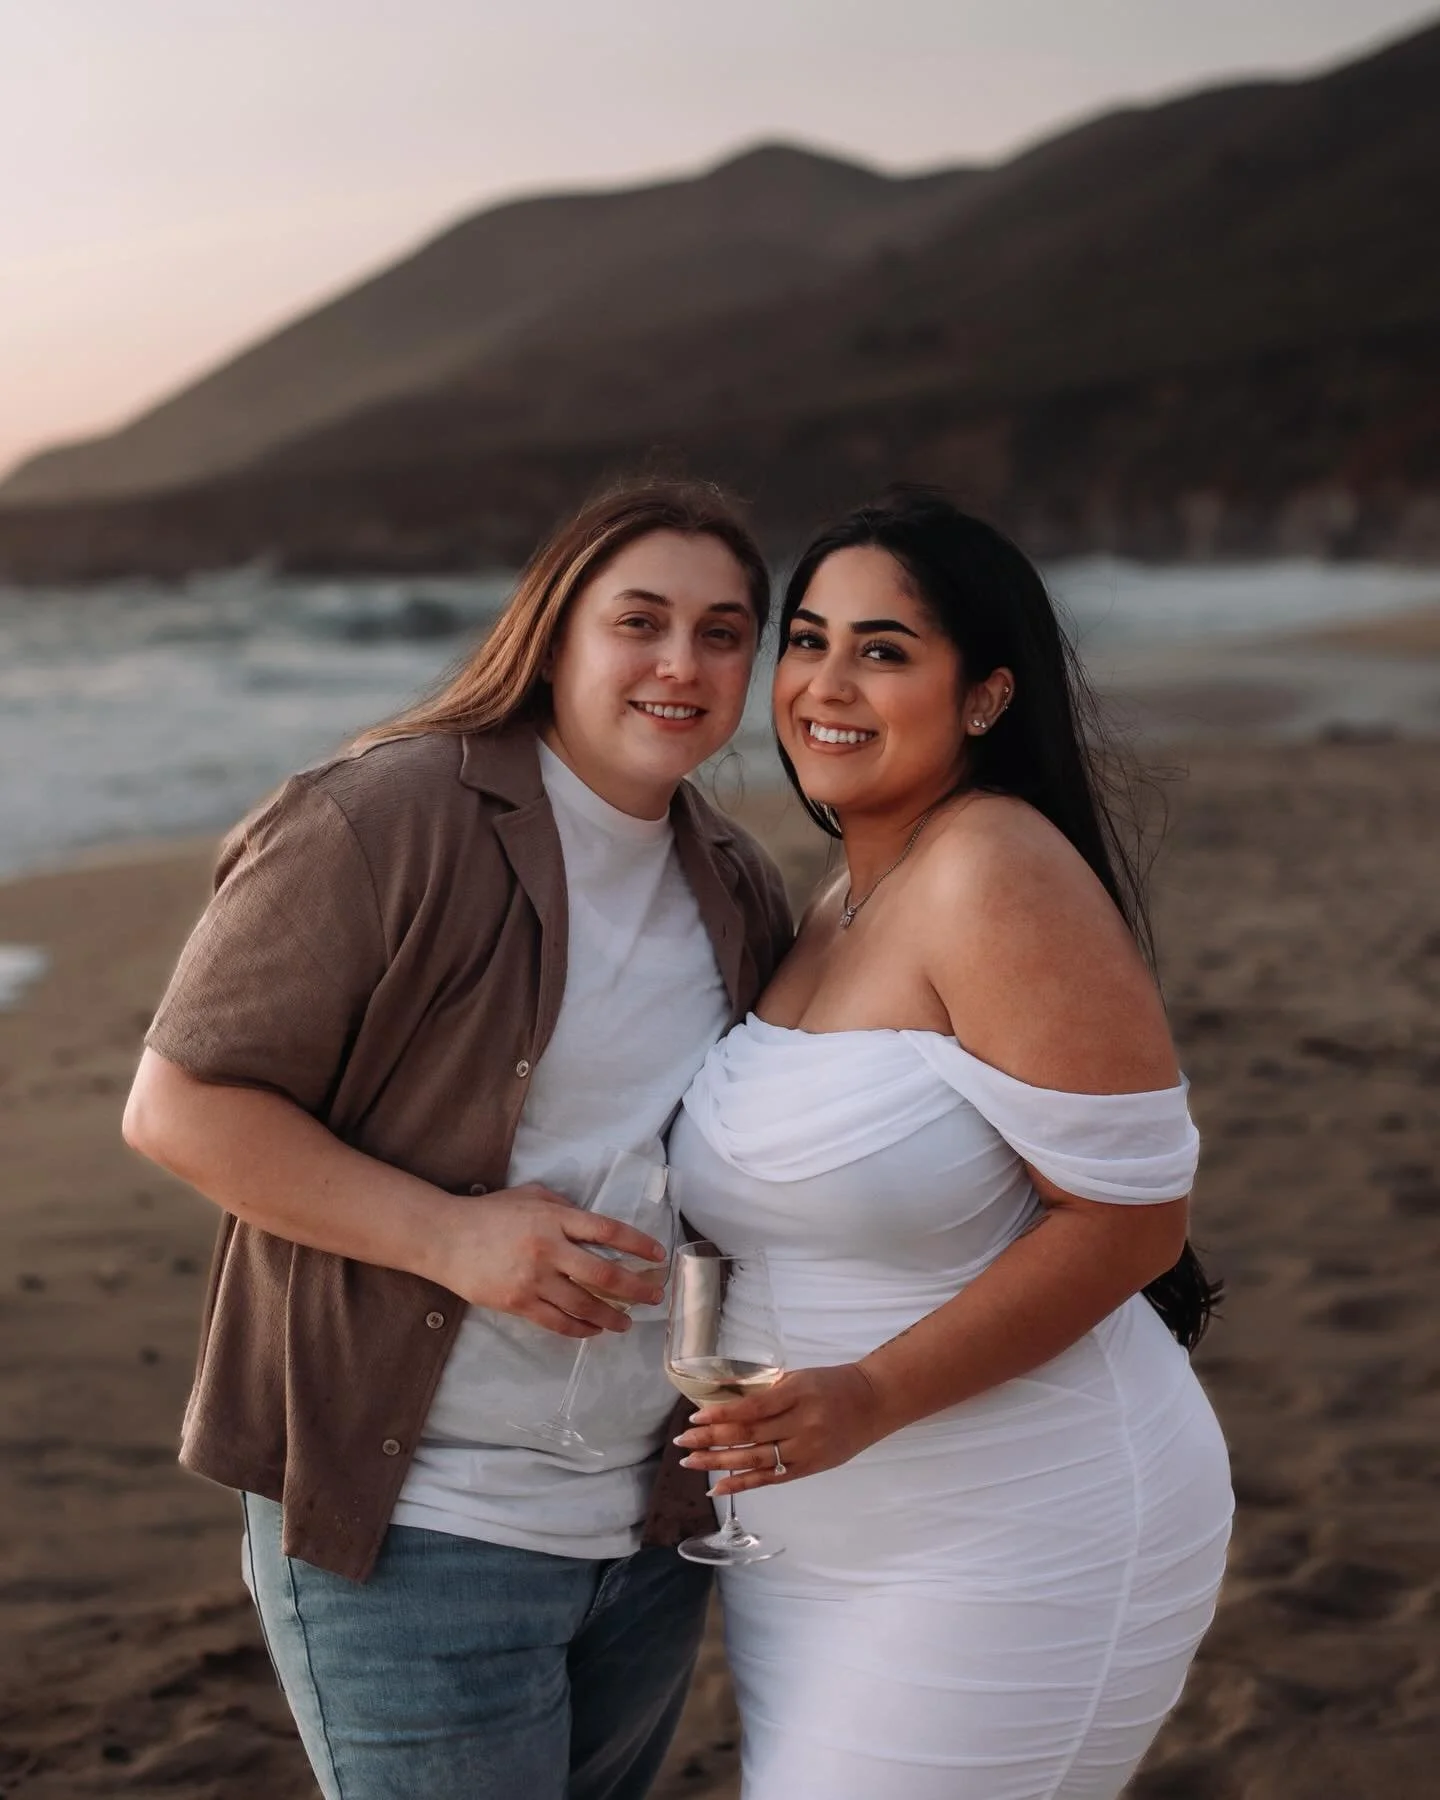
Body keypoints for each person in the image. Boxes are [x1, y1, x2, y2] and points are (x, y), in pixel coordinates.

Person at [121, 479, 793, 1800]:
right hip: (415, 1526)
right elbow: (178, 1106)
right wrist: (451, 1236)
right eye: (639, 620)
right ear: (553, 634)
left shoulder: (736, 882)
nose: (683, 663)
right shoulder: (382, 819)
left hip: (645, 1536)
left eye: (724, 633)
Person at [667, 487, 1233, 1800]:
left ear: (985, 696)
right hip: (810, 1543)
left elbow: (1134, 1224)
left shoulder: (994, 870)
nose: (824, 684)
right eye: (806, 641)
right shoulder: (837, 897)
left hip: (1016, 1530)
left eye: (883, 651)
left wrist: (868, 1396)